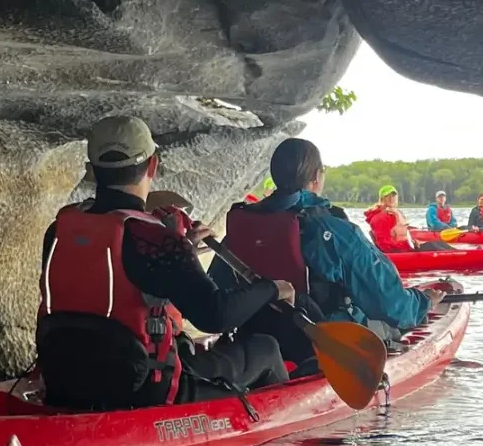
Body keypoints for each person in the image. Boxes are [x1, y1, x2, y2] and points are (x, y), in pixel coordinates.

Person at [36, 115, 296, 410]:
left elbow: (119, 276)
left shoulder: (60, 230)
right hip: (143, 392)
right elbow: (216, 316)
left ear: (91, 171)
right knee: (266, 348)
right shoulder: (153, 239)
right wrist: (273, 288)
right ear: (152, 165)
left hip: (66, 383)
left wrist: (184, 250)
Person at [209, 140, 446, 354]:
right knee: (392, 326)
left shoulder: (243, 223)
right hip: (320, 340)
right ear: (315, 177)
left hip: (258, 335)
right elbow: (391, 305)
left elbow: (216, 294)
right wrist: (423, 301)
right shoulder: (332, 229)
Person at [367, 185, 455, 252]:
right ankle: (460, 257)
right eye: (387, 196)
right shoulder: (378, 219)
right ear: (381, 199)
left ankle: (459, 253)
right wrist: (407, 245)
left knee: (439, 243)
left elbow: (402, 233)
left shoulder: (395, 213)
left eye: (393, 196)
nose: (391, 198)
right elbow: (384, 246)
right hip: (398, 253)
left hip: (406, 248)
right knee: (433, 246)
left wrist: (412, 242)